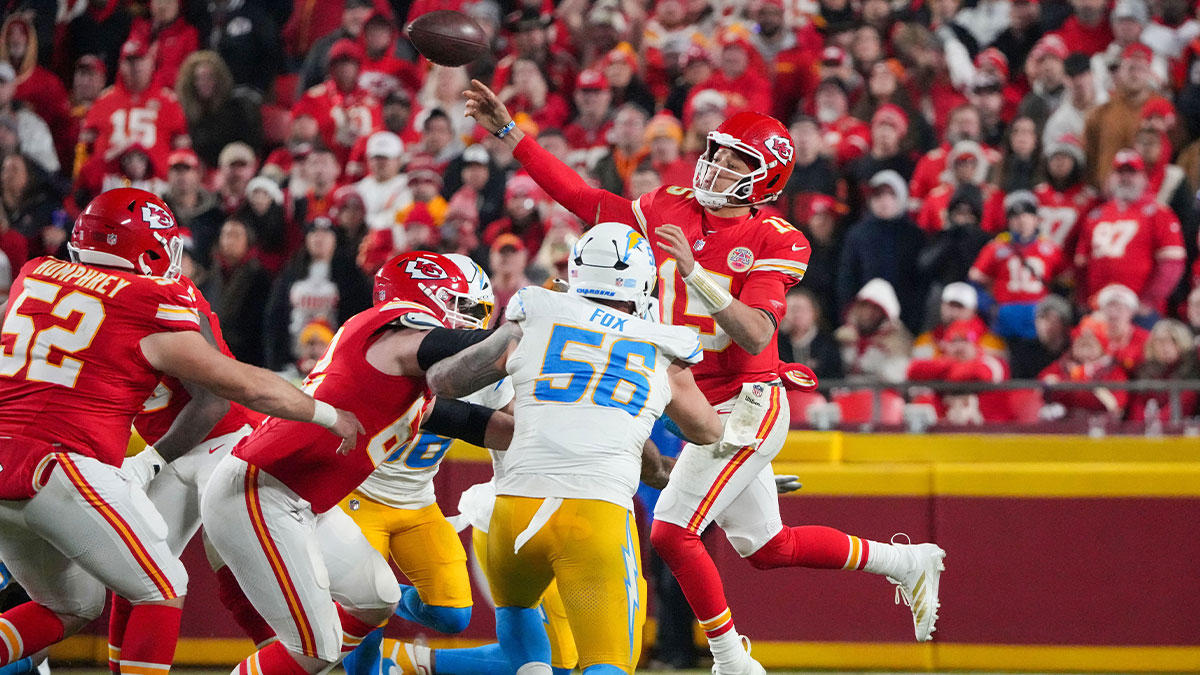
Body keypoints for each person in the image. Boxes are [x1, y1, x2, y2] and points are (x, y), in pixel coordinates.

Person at [464, 80, 946, 673]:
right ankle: (908, 562)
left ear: (764, 179)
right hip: (684, 399)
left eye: (733, 162)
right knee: (769, 547)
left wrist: (696, 274)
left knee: (669, 532)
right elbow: (585, 200)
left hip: (747, 402)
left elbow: (756, 335)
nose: (715, 167)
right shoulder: (668, 205)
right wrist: (512, 134)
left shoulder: (775, 239)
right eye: (715, 153)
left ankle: (729, 659)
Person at [0, 188, 359, 669]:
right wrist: (327, 414)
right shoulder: (150, 298)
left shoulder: (34, 274)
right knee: (162, 587)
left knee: (72, 605)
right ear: (148, 251)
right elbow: (241, 386)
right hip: (59, 463)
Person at [424, 222, 721, 675]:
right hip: (594, 516)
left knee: (529, 635)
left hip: (513, 514)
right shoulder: (665, 347)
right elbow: (706, 431)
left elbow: (444, 381)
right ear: (643, 284)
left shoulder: (534, 315)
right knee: (609, 663)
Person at [201, 251, 516, 675]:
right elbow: (463, 347)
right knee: (318, 648)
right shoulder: (392, 332)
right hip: (264, 490)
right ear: (424, 298)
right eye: (461, 308)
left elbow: (475, 423)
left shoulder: (403, 380)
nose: (469, 321)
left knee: (376, 596)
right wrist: (537, 331)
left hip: (303, 502)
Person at [337, 254, 498, 674]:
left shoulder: (478, 368)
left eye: (478, 311)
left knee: (452, 615)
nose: (473, 323)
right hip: (355, 496)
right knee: (364, 611)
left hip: (415, 499)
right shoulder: (379, 347)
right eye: (462, 307)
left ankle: (387, 599)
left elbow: (513, 420)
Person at [1074, 150, 1185, 321]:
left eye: (1131, 172)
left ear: (1143, 177)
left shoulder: (1159, 214)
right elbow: (1081, 264)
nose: (1125, 177)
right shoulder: (1096, 215)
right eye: (1120, 172)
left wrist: (1149, 301)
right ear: (1111, 177)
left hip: (1139, 311)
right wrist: (1083, 300)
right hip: (1099, 309)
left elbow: (1172, 264)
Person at [80, 39, 188, 180]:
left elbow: (182, 149)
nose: (135, 67)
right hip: (111, 183)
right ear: (121, 65)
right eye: (130, 61)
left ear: (151, 62)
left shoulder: (168, 101)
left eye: (140, 60)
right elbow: (85, 148)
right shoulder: (103, 101)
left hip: (156, 184)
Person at [970, 191, 1068, 342]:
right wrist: (990, 308)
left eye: (1027, 214)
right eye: (1015, 216)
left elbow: (1064, 284)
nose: (1021, 220)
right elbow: (975, 280)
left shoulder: (1051, 249)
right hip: (1004, 319)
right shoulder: (996, 248)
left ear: (1036, 219)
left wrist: (1052, 312)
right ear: (1008, 221)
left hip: (1039, 321)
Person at [838, 171, 927, 332]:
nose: (883, 201)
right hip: (865, 319)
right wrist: (849, 314)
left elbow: (919, 283)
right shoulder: (858, 234)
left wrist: (914, 321)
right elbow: (848, 277)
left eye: (890, 195)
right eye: (878, 196)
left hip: (905, 318)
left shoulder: (915, 236)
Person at [1039, 316, 1129, 418]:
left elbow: (1117, 405)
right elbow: (1040, 388)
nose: (1084, 344)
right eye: (1080, 342)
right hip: (1064, 423)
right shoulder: (1061, 365)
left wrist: (1095, 390)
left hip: (1100, 424)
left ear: (1101, 347)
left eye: (1090, 344)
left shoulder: (1113, 370)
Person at [837, 278, 914, 383]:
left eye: (875, 309)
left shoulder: (897, 342)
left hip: (880, 395)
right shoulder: (842, 338)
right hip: (845, 394)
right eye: (865, 307)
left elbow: (897, 377)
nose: (868, 314)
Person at [1128, 319, 1199, 422]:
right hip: (1145, 432)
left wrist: (1154, 422)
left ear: (1182, 342)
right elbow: (1136, 408)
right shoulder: (1144, 371)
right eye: (1159, 341)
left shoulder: (1191, 370)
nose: (1165, 346)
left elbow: (1182, 406)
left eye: (1172, 340)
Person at [778, 287, 844, 379]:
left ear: (814, 312)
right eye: (792, 309)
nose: (797, 315)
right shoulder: (778, 343)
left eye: (801, 309)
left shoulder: (827, 343)